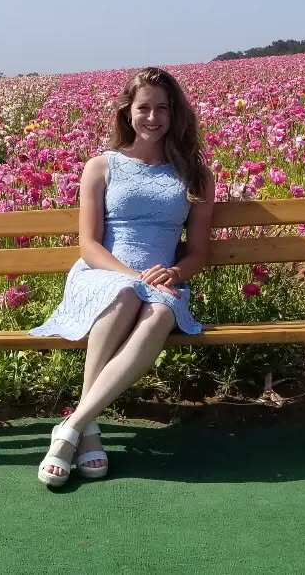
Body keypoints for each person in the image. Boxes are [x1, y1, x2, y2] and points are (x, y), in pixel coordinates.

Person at [27, 67, 215, 487]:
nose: (153, 117)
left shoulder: (196, 175)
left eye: (162, 108)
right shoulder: (101, 166)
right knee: (126, 294)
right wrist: (133, 276)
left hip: (162, 282)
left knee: (161, 313)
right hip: (102, 274)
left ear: (175, 113)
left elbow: (200, 252)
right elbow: (89, 245)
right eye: (143, 108)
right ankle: (86, 428)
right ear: (126, 113)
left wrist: (174, 272)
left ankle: (75, 427)